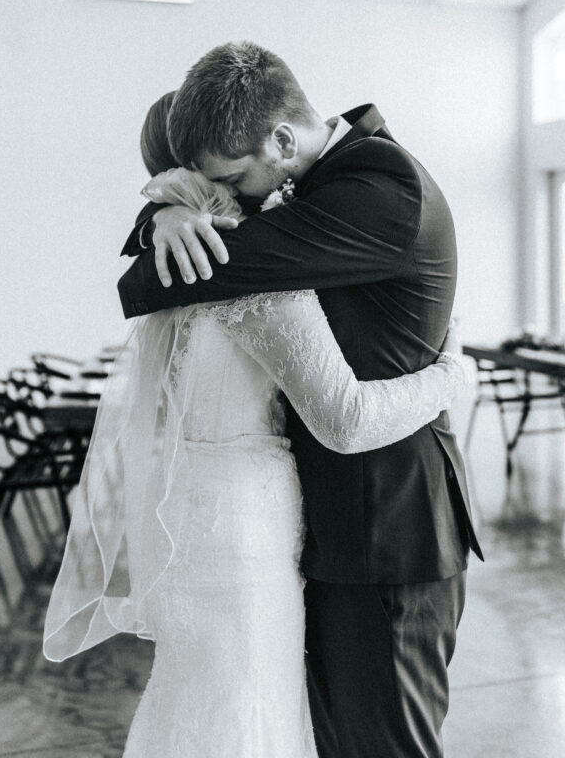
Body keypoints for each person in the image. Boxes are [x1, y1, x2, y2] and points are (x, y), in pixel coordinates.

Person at [43, 134, 471, 758]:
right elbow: (346, 420)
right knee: (251, 704)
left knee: (214, 696)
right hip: (251, 523)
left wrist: (159, 216)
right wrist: (452, 374)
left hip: (204, 509)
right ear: (209, 175)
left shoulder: (185, 267)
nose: (281, 188)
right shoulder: (260, 275)